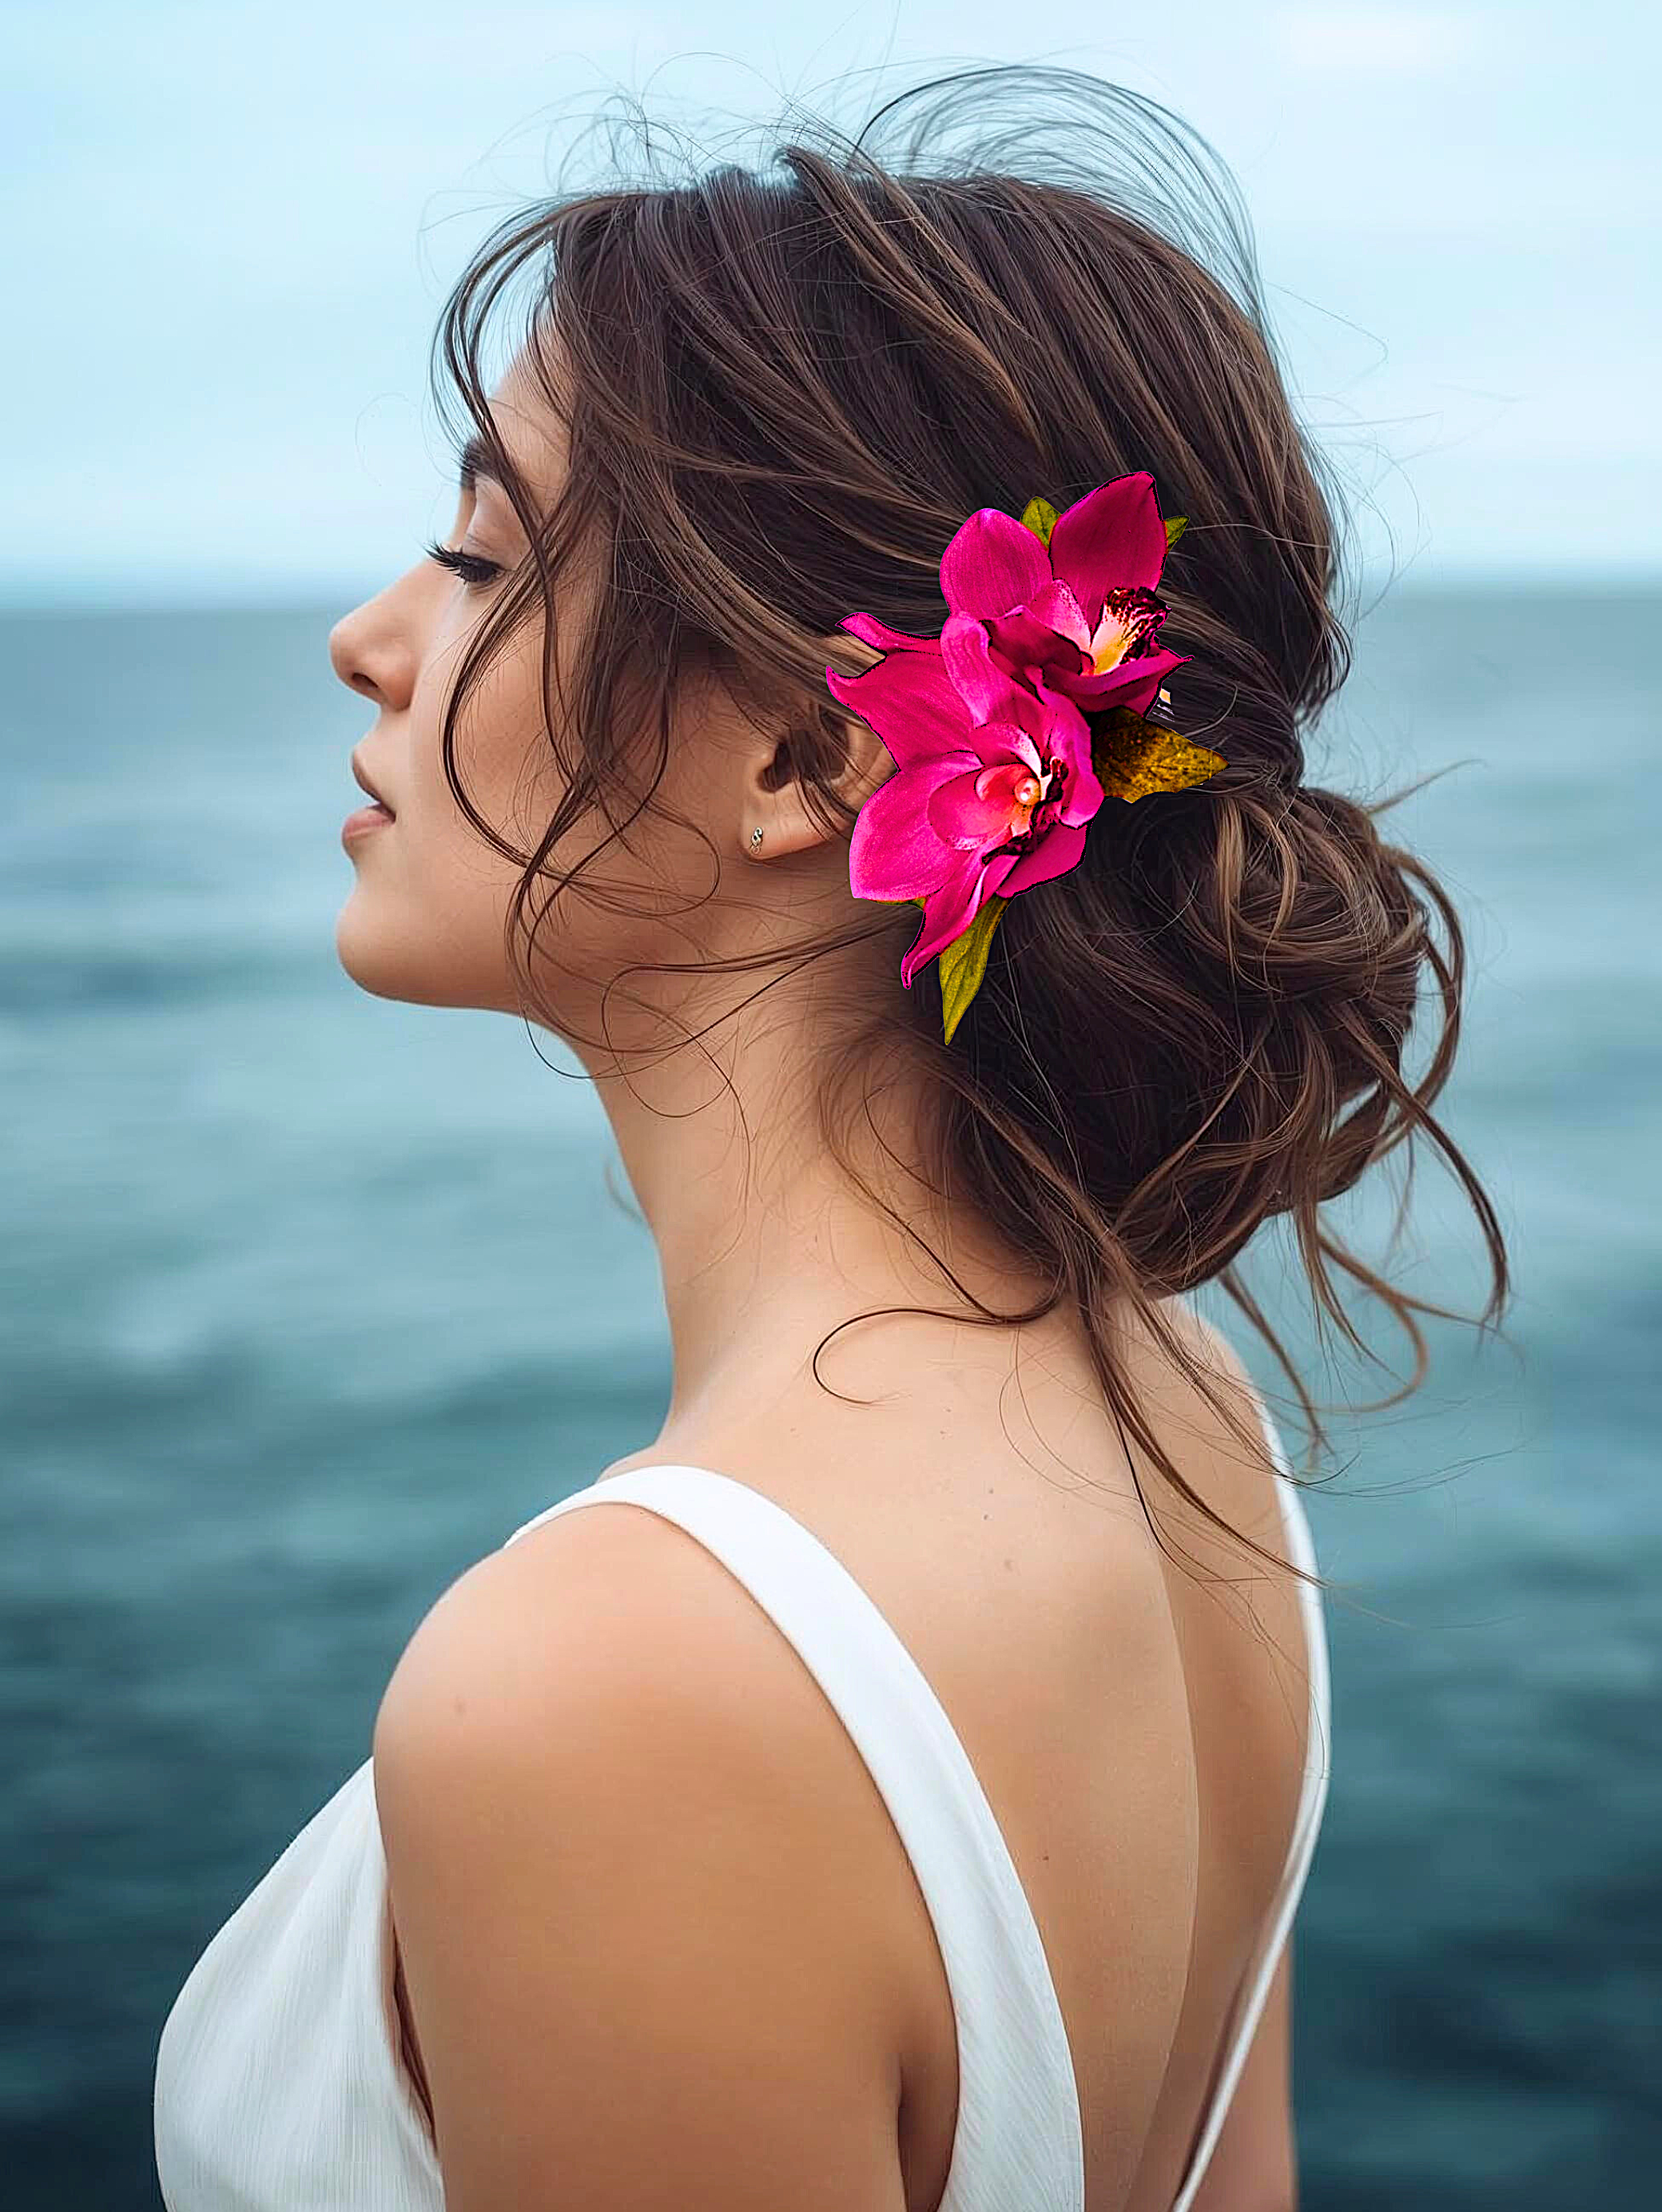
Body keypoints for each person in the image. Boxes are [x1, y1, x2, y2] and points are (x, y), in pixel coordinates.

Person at [153, 63, 1507, 2212]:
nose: (372, 638)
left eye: (483, 553)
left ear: (807, 755)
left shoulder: (616, 1688)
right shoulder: (1181, 1412)